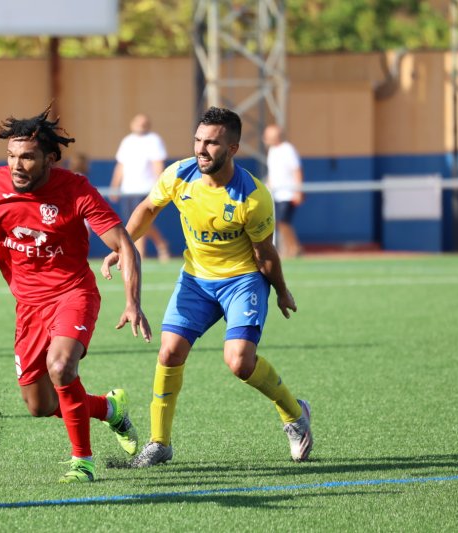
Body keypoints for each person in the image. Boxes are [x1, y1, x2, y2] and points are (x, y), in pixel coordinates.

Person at [0, 107, 152, 484]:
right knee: (40, 405)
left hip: (73, 293)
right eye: (11, 156)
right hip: (28, 307)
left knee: (61, 366)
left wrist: (132, 301)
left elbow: (124, 244)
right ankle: (109, 409)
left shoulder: (76, 189)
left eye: (28, 157)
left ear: (50, 159)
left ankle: (82, 462)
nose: (17, 165)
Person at [102, 107, 312, 468]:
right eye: (198, 140)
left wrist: (281, 290)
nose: (201, 149)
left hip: (242, 280)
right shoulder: (179, 174)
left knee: (239, 362)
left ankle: (294, 414)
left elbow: (265, 254)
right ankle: (159, 443)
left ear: (232, 148)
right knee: (169, 352)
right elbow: (148, 209)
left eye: (211, 143)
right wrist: (122, 247)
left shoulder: (253, 197)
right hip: (196, 280)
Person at [109, 113, 171, 262]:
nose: (140, 125)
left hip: (146, 188)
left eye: (143, 123)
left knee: (140, 220)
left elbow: (158, 164)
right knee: (132, 221)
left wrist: (158, 186)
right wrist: (114, 186)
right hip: (128, 190)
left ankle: (140, 254)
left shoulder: (154, 140)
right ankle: (161, 243)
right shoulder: (127, 141)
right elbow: (120, 166)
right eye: (138, 122)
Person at [263, 124, 304, 258]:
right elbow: (273, 173)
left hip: (288, 193)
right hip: (275, 193)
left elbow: (297, 170)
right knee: (278, 222)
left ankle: (294, 248)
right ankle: (290, 248)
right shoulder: (272, 151)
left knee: (283, 222)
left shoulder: (288, 149)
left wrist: (298, 191)